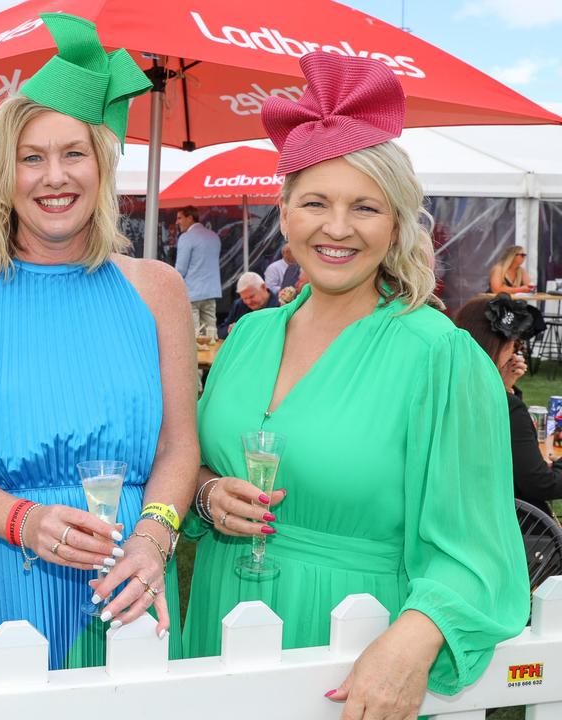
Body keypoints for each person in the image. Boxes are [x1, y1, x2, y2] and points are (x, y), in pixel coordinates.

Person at [181, 52, 528, 719]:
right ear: (284, 214)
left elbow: (481, 547)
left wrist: (412, 641)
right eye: (315, 202)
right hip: (223, 631)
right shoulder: (247, 338)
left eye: (364, 207)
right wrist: (205, 495)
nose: (337, 228)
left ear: (396, 225)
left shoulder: (439, 357)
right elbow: (199, 461)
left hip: (352, 654)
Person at [0, 13, 198, 677]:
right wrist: (24, 521)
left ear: (102, 165)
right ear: (5, 177)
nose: (53, 177)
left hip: (130, 578)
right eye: (30, 159)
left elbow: (179, 447)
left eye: (72, 154)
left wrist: (154, 537)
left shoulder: (159, 289)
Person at [453, 295, 562, 515]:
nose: (515, 353)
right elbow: (540, 483)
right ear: (497, 346)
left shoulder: (451, 391)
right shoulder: (506, 408)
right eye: (514, 344)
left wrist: (505, 387)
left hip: (460, 512)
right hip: (507, 524)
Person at [174, 205, 222, 339]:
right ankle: (214, 359)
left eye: (180, 218)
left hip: (192, 293)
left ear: (190, 218)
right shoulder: (214, 236)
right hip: (211, 292)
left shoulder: (186, 237)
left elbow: (180, 269)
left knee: (193, 338)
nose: (177, 222)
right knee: (211, 335)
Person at [217, 271, 277, 340]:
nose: (248, 302)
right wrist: (230, 330)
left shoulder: (279, 306)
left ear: (263, 287)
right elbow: (221, 331)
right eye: (244, 298)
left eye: (252, 296)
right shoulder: (239, 304)